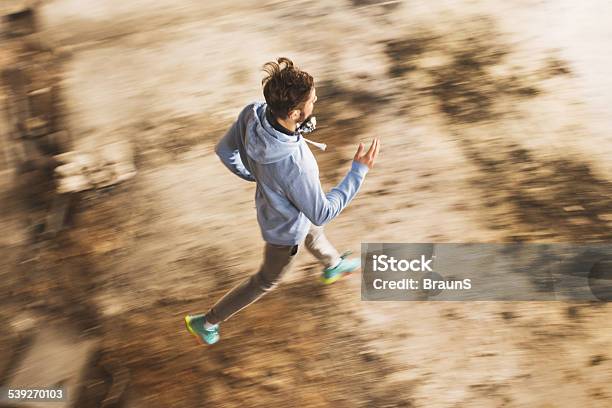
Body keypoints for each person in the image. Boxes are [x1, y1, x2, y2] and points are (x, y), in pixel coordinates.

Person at [185, 57, 380, 345]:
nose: (316, 101)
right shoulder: (295, 166)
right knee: (266, 279)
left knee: (312, 232)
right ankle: (207, 321)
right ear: (294, 113)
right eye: (312, 100)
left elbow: (224, 150)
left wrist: (255, 175)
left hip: (285, 205)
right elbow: (322, 212)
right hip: (283, 231)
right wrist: (358, 172)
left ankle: (333, 264)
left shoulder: (254, 112)